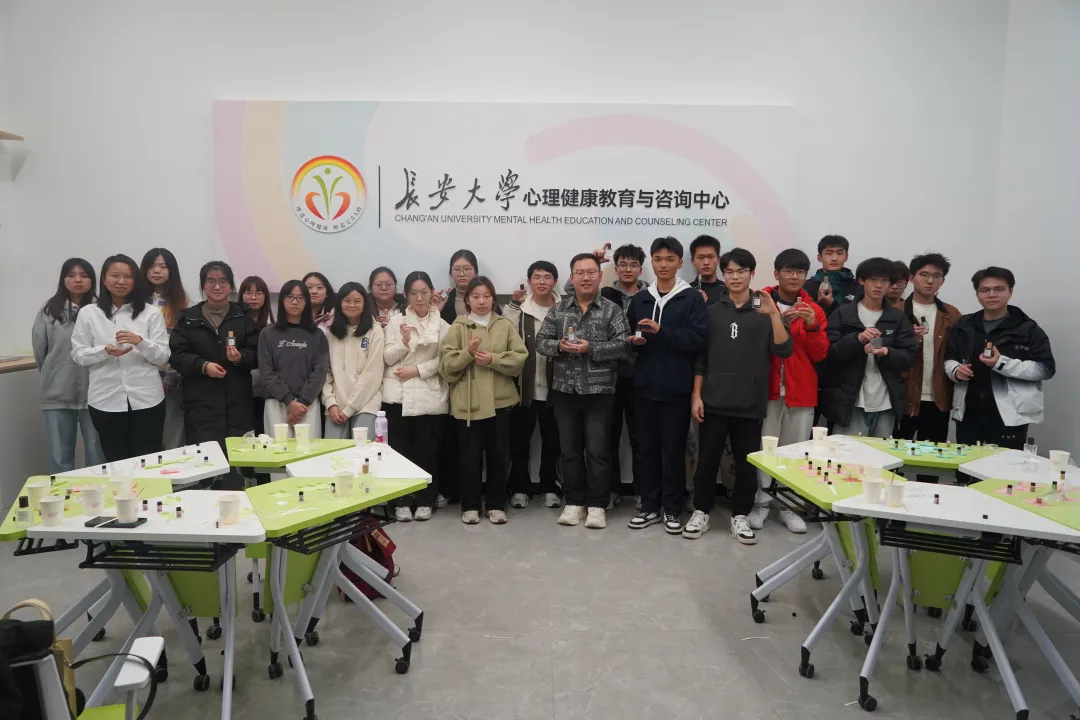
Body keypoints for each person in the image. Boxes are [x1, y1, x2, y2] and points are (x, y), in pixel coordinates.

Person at [683, 248, 792, 544]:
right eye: (729, 271)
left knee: (746, 465)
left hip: (749, 403)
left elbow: (784, 350)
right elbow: (700, 360)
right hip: (714, 401)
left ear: (752, 274)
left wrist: (774, 315)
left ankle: (740, 516)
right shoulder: (711, 312)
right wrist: (696, 396)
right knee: (707, 462)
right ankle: (701, 511)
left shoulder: (765, 311)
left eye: (741, 271)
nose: (734, 277)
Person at [537, 253, 630, 530]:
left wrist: (592, 348)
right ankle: (574, 502)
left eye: (591, 272)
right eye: (580, 273)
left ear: (600, 276)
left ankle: (597, 504)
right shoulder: (558, 310)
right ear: (572, 277)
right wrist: (559, 346)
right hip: (564, 391)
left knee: (598, 451)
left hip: (600, 392)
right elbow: (541, 342)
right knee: (569, 451)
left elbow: (624, 346)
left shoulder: (612, 310)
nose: (585, 278)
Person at [625, 237, 708, 533]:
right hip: (644, 387)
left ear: (680, 263)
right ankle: (649, 506)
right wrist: (634, 342)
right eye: (658, 259)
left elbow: (699, 340)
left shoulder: (691, 299)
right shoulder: (640, 299)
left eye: (670, 259)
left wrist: (663, 332)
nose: (663, 265)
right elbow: (629, 336)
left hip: (676, 388)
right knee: (646, 450)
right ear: (652, 262)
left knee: (673, 451)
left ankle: (672, 509)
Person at [751, 249, 828, 533]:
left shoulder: (814, 309)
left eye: (800, 272)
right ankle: (761, 503)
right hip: (767, 390)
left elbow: (820, 354)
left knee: (795, 451)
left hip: (801, 391)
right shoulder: (760, 301)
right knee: (765, 449)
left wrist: (811, 326)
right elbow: (753, 343)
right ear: (776, 274)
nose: (794, 277)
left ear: (807, 276)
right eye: (788, 271)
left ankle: (788, 506)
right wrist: (779, 322)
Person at [439, 276, 527, 525]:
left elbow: (519, 358)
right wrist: (468, 353)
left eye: (486, 296)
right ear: (467, 300)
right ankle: (470, 505)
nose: (481, 301)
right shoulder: (458, 326)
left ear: (493, 298)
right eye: (476, 296)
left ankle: (497, 504)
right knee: (469, 457)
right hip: (468, 403)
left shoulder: (504, 325)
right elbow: (446, 366)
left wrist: (493, 360)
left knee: (499, 455)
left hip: (500, 402)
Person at [169, 261, 260, 487]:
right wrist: (203, 366)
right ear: (203, 285)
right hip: (201, 403)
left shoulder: (243, 317)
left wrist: (240, 358)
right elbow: (177, 356)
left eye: (222, 281)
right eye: (211, 281)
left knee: (238, 465)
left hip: (237, 402)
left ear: (231, 285)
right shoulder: (188, 318)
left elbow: (258, 354)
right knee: (205, 465)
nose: (217, 287)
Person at [71, 254, 170, 461]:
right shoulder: (88, 313)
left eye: (128, 276)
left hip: (147, 400)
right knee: (116, 462)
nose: (121, 281)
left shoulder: (151, 313)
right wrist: (103, 351)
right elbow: (78, 355)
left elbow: (163, 357)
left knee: (149, 461)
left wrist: (140, 342)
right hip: (105, 400)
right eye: (115, 276)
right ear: (104, 279)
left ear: (136, 281)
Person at [945, 267, 1055, 449]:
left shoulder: (1027, 328)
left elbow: (1045, 369)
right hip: (968, 412)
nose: (991, 294)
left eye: (999, 289)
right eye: (985, 290)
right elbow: (949, 359)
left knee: (1006, 465)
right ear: (977, 294)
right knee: (967, 465)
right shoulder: (964, 325)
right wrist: (955, 370)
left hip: (1010, 415)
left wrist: (1001, 363)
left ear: (1010, 292)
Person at [820, 257, 917, 437]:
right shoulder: (843, 313)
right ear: (861, 281)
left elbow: (909, 357)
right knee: (848, 452)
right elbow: (829, 353)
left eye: (884, 280)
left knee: (879, 453)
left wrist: (886, 352)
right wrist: (857, 339)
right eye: (873, 279)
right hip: (850, 401)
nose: (878, 285)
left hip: (886, 402)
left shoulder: (898, 318)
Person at [383, 271, 451, 520]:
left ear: (432, 293)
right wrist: (403, 344)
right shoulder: (395, 322)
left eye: (424, 293)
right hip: (398, 396)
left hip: (429, 395)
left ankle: (425, 500)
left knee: (427, 451)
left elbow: (444, 360)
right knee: (398, 451)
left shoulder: (443, 326)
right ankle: (400, 501)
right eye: (414, 293)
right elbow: (386, 357)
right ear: (406, 295)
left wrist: (416, 370)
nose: (420, 298)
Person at [32, 258, 106, 473]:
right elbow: (40, 351)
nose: (78, 280)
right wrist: (54, 374)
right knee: (60, 455)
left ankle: (96, 493)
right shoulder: (49, 311)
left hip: (96, 394)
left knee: (97, 452)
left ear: (93, 280)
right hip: (57, 394)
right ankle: (63, 494)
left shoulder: (101, 310)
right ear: (63, 280)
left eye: (84, 275)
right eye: (71, 275)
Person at [894, 254, 962, 481]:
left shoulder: (951, 314)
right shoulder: (895, 312)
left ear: (943, 280)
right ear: (912, 278)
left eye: (936, 276)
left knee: (931, 463)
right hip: (902, 397)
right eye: (924, 275)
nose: (930, 281)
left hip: (938, 399)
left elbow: (958, 354)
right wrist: (908, 341)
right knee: (894, 462)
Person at [504, 261, 563, 510]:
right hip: (524, 388)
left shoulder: (564, 309)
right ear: (529, 282)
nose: (542, 281)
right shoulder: (520, 309)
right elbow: (505, 331)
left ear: (555, 282)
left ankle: (550, 487)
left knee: (553, 442)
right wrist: (513, 304)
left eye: (547, 277)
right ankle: (519, 488)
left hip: (555, 389)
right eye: (537, 277)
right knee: (520, 442)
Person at [599, 243, 647, 509]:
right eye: (623, 265)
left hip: (641, 375)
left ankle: (642, 491)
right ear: (615, 268)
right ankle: (611, 490)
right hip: (610, 374)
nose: (628, 269)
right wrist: (595, 261)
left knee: (642, 438)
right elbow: (573, 291)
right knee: (609, 436)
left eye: (633, 265)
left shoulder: (652, 295)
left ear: (641, 268)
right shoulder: (604, 294)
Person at [432, 249, 478, 506]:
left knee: (471, 440)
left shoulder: (486, 300)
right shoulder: (441, 303)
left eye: (467, 269)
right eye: (457, 270)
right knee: (447, 437)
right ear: (451, 274)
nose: (462, 274)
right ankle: (447, 488)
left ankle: (467, 490)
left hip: (476, 377)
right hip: (446, 377)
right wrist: (436, 311)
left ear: (475, 272)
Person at [258, 281, 329, 437]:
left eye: (300, 298)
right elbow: (266, 372)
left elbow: (320, 372)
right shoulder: (268, 334)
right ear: (282, 300)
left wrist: (302, 403)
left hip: (307, 404)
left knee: (307, 450)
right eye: (290, 297)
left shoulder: (317, 335)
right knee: (278, 449)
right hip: (276, 402)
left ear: (307, 302)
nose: (295, 302)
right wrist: (288, 401)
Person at [322, 282, 385, 441]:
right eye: (347, 301)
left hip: (366, 404)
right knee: (334, 453)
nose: (352, 305)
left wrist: (350, 409)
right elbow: (325, 373)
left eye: (357, 301)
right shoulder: (330, 334)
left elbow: (372, 374)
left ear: (365, 304)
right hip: (336, 406)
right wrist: (330, 403)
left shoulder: (375, 331)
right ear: (339, 303)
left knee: (362, 452)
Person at [141, 248, 189, 449]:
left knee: (172, 436)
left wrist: (171, 378)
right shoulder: (134, 303)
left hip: (172, 380)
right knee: (145, 439)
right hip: (140, 381)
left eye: (163, 266)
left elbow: (185, 345)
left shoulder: (184, 303)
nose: (157, 271)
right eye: (152, 266)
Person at [238, 275, 273, 437]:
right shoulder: (233, 324)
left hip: (266, 390)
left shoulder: (273, 326)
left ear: (265, 297)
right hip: (240, 389)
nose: (253, 297)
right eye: (248, 293)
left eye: (258, 293)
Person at [803, 235, 858, 317]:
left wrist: (831, 304)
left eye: (839, 253)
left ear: (846, 257)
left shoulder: (856, 286)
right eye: (829, 253)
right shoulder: (807, 287)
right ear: (819, 258)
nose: (834, 258)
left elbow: (856, 318)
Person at [689, 235, 727, 304]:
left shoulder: (728, 290)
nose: (706, 262)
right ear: (692, 261)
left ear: (718, 259)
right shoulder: (686, 291)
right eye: (700, 257)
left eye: (711, 257)